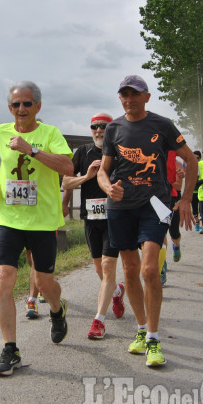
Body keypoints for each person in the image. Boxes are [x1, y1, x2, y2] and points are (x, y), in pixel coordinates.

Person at [97, 75, 196, 368]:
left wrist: (187, 199)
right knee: (129, 268)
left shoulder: (162, 125)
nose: (129, 99)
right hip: (120, 207)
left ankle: (153, 337)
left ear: (147, 97)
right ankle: (141, 329)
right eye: (124, 94)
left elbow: (191, 160)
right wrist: (106, 188)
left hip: (156, 205)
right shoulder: (113, 129)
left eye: (135, 94)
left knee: (150, 269)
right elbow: (103, 171)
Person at [0, 80, 74, 376]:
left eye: (27, 103)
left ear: (38, 106)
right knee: (3, 278)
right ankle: (10, 349)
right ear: (10, 108)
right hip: (10, 217)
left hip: (43, 219)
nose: (21, 109)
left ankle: (57, 311)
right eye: (16, 104)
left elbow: (67, 168)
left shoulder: (50, 134)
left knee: (45, 283)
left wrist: (30, 149)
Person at [61, 112, 126, 341]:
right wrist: (87, 177)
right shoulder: (83, 152)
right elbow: (66, 181)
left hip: (114, 217)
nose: (98, 130)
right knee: (99, 270)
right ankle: (117, 292)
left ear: (111, 130)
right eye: (94, 127)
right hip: (91, 217)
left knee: (108, 268)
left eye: (103, 127)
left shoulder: (120, 150)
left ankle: (98, 321)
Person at [191, 150, 203, 233]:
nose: (196, 160)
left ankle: (202, 226)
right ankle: (197, 222)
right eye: (194, 158)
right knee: (195, 209)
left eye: (198, 158)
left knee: (202, 209)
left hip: (202, 190)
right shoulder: (190, 166)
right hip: (193, 191)